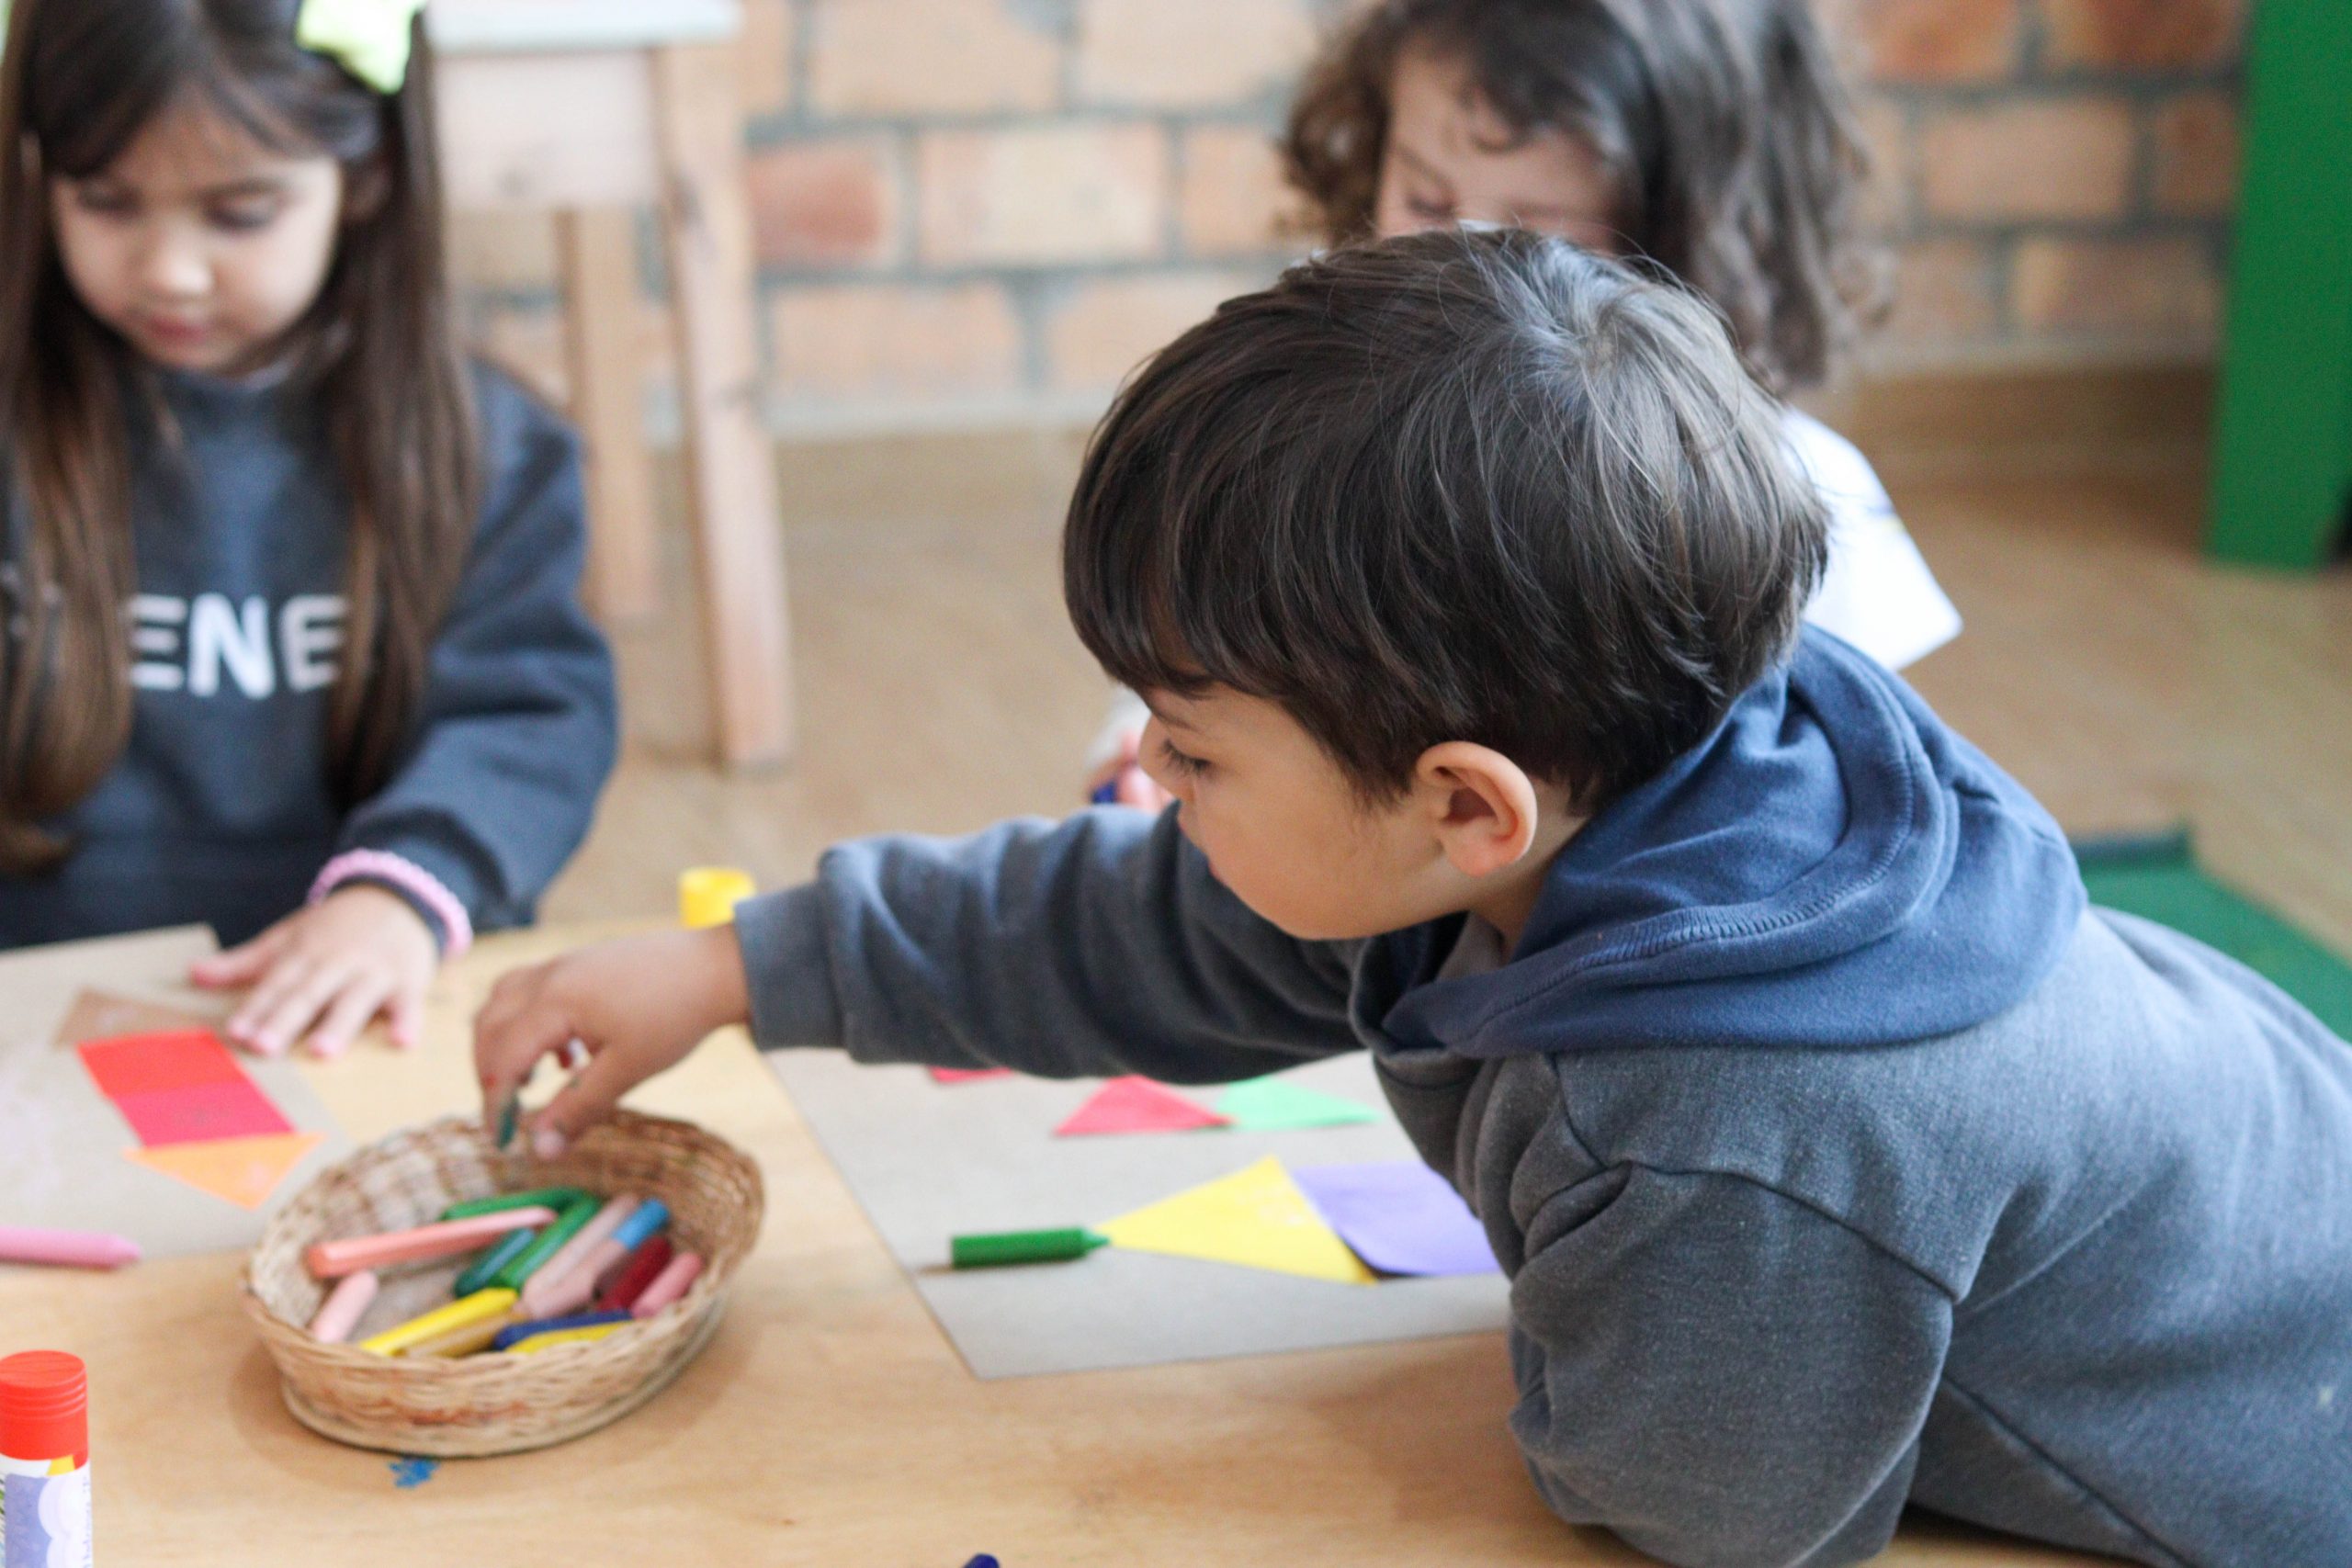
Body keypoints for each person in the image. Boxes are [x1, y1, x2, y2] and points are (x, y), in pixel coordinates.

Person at [479, 233, 2349, 1568]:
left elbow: (1704, 1515)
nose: (1145, 777)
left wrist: (1590, 1337)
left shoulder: (1726, 1136)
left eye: (1191, 749)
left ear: (1465, 802)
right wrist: (736, 961)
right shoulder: (1615, 756)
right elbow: (1159, 928)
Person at [1089, 0, 1960, 806]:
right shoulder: (1312, 423)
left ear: (1686, 237)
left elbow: (1867, 788)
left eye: (1533, 235)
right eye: (1426, 199)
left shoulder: (1790, 490)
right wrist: (1155, 753)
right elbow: (1208, 657)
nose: (1457, 263)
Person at [0, 0, 616, 1058]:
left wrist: (401, 891)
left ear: (366, 174)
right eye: (104, 200)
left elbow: (531, 719)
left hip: (366, 1009)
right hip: (37, 1007)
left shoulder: (494, 450)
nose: (170, 270)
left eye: (239, 212)